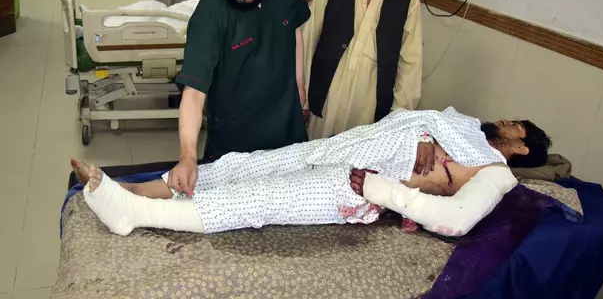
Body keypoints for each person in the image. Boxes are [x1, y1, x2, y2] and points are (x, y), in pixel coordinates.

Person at [71, 107, 552, 238]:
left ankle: (132, 212)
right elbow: (413, 113)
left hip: (362, 182)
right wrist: (427, 131)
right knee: (245, 164)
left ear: (521, 145)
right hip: (344, 145)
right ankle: (136, 187)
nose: (505, 120)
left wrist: (384, 191)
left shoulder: (495, 172)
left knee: (263, 196)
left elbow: (456, 220)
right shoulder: (464, 123)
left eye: (516, 124)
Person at [168, 0, 311, 197]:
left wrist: (300, 90)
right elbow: (194, 93)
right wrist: (187, 156)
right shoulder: (210, 15)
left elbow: (294, 30)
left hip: (287, 128)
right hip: (235, 140)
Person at [302, 0, 423, 139]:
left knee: (356, 173)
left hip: (369, 112)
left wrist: (398, 122)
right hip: (324, 101)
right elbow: (308, 43)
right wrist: (302, 101)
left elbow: (410, 66)